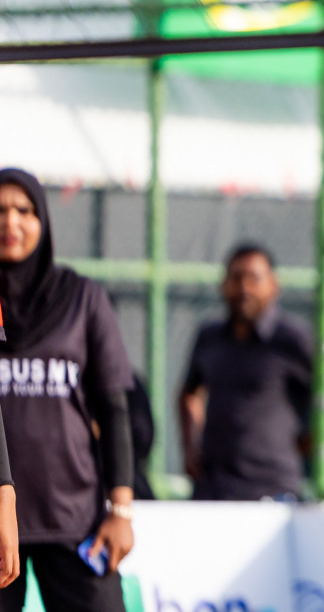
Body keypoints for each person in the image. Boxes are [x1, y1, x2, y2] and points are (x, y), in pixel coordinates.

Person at [0, 168, 131, 611]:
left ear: (44, 220)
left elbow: (114, 408)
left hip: (74, 521)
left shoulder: (81, 298)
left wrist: (121, 511)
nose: (10, 223)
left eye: (23, 210)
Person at [179, 243, 324, 501]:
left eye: (254, 279)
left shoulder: (293, 339)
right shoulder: (209, 337)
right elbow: (189, 394)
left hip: (271, 492)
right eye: (236, 278)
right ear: (223, 285)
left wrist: (302, 444)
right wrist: (190, 449)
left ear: (274, 285)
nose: (244, 288)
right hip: (212, 493)